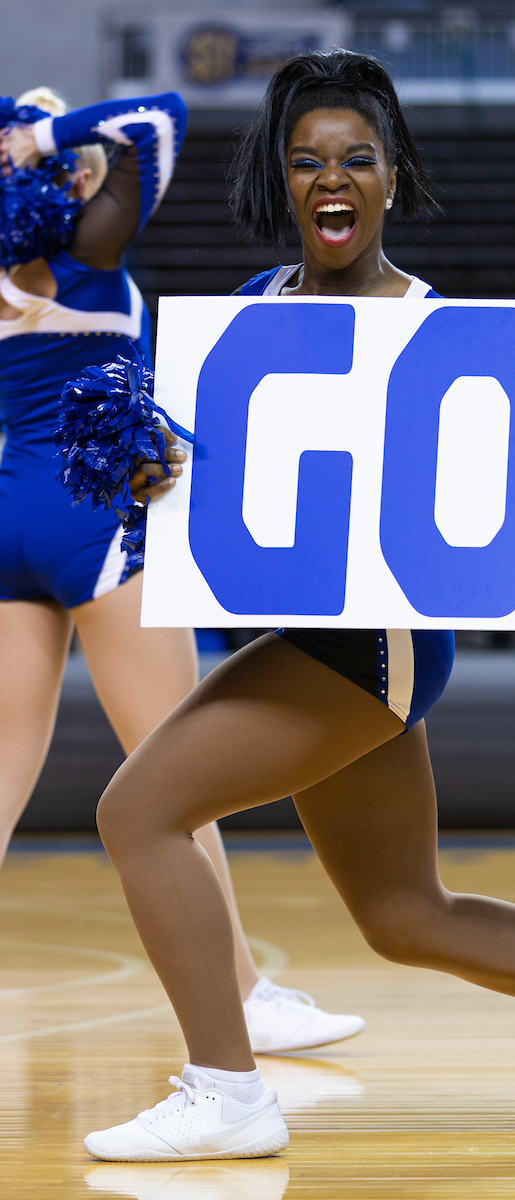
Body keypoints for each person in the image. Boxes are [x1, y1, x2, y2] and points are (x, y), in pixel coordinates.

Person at [83, 50, 515, 1163]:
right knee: (404, 917)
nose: (328, 179)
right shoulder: (254, 310)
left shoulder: (445, 329)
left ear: (392, 177)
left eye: (354, 159)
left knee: (136, 812)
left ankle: (226, 1090)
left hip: (368, 654)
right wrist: (153, 471)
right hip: (311, 639)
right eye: (305, 161)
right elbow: (212, 489)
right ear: (280, 182)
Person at [0, 86, 363, 1055]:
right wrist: (45, 131)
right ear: (46, 172)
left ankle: (247, 996)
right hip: (98, 522)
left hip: (6, 517)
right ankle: (245, 997)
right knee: (173, 771)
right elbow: (154, 119)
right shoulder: (90, 252)